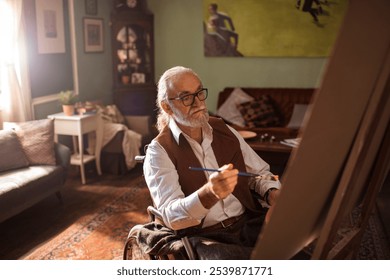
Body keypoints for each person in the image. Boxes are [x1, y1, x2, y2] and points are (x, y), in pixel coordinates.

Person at [142, 66, 281, 259]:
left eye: (199, 92)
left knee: (296, 253)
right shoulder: (159, 151)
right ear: (167, 107)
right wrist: (209, 194)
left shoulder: (225, 130)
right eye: (186, 97)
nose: (198, 102)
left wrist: (271, 192)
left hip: (246, 223)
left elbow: (259, 173)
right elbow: (171, 216)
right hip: (204, 237)